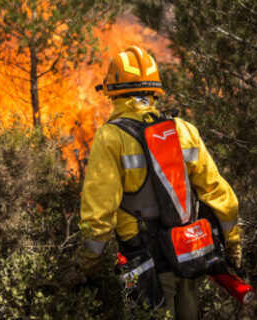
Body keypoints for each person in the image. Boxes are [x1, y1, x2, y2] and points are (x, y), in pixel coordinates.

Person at [76, 45, 241, 320]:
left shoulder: (111, 137)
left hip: (144, 266)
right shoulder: (184, 130)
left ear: (112, 91)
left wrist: (84, 269)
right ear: (154, 91)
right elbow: (220, 195)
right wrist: (233, 247)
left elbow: (99, 215)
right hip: (189, 261)